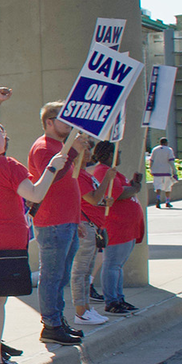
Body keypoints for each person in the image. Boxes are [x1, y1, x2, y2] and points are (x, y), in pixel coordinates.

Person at [0, 111, 75, 364]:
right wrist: (53, 166)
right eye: (3, 134)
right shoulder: (8, 165)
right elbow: (36, 193)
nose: (5, 139)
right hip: (5, 244)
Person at [27, 101, 91, 346]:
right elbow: (50, 179)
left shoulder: (58, 146)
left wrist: (77, 219)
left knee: (60, 276)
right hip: (52, 222)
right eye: (66, 118)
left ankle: (57, 320)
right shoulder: (44, 147)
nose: (71, 124)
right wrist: (72, 151)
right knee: (52, 276)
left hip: (66, 221)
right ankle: (51, 324)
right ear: (49, 122)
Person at [71, 141, 117, 329]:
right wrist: (107, 178)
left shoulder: (84, 174)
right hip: (85, 226)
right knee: (80, 271)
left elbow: (93, 200)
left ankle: (86, 309)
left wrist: (104, 202)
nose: (90, 152)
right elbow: (92, 198)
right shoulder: (78, 175)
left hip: (92, 225)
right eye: (86, 149)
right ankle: (81, 312)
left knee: (86, 271)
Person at [99, 175, 146, 315]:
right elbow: (116, 193)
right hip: (116, 227)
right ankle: (111, 301)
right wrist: (134, 188)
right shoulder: (104, 172)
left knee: (117, 266)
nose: (118, 155)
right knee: (112, 265)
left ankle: (119, 298)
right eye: (117, 152)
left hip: (126, 229)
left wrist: (131, 186)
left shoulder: (115, 174)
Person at [148, 137, 177, 208]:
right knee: (168, 187)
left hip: (157, 172)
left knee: (158, 187)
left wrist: (151, 169)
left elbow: (151, 160)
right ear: (166, 143)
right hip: (166, 171)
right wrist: (174, 171)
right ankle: (167, 202)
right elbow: (171, 161)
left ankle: (158, 199)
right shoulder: (169, 150)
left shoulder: (155, 149)